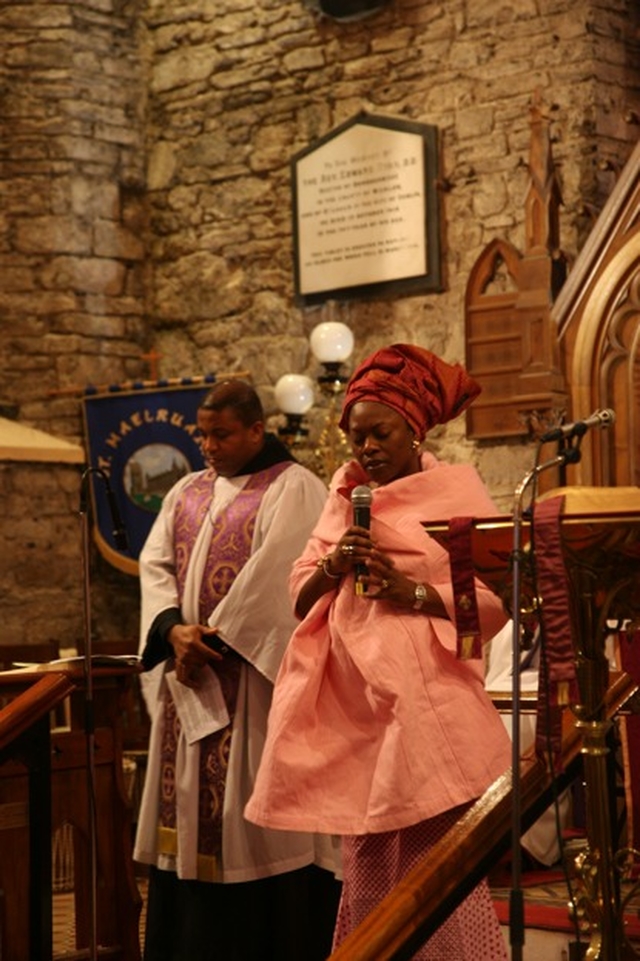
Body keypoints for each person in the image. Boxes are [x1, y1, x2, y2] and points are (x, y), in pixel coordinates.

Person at [245, 345, 513, 960]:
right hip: (356, 705)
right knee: (368, 859)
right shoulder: (345, 499)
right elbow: (298, 590)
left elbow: (493, 604)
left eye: (379, 432)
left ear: (414, 427)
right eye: (355, 436)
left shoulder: (456, 497)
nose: (365, 448)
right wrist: (335, 563)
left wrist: (412, 592)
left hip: (424, 702)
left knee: (438, 862)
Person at [133, 380, 341, 961]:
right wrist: (174, 629)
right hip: (189, 676)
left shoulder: (294, 487)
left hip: (249, 684)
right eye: (203, 433)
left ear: (256, 429)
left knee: (252, 832)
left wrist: (211, 642)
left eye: (221, 434)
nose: (209, 446)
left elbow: (281, 577)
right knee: (191, 835)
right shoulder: (186, 491)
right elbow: (154, 566)